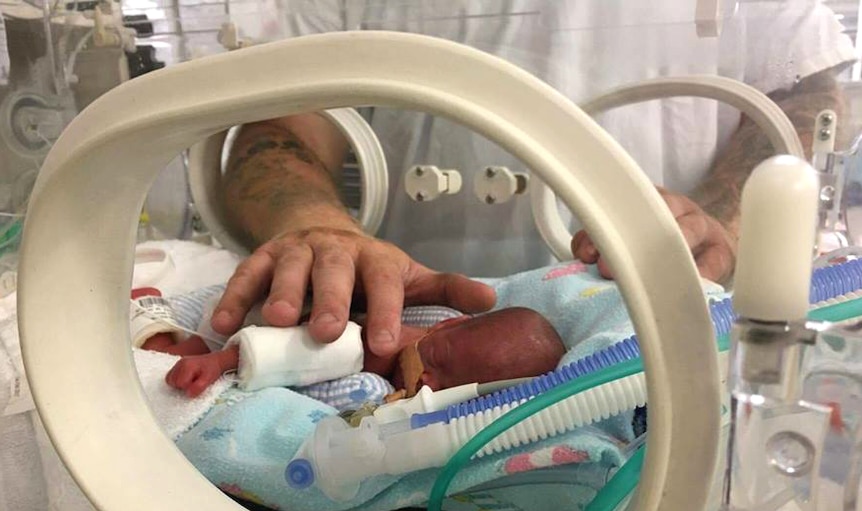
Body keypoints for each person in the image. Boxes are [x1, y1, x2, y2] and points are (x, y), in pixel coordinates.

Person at [208, 1, 855, 358]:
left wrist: (718, 216)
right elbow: (274, 132)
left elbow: (803, 98)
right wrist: (314, 227)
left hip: (662, 332)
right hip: (403, 335)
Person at [150, 306, 566, 398]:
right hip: (255, 325)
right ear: (447, 324)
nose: (427, 378)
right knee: (170, 357)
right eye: (436, 358)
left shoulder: (409, 386)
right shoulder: (383, 346)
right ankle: (156, 325)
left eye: (450, 386)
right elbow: (297, 349)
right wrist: (218, 362)